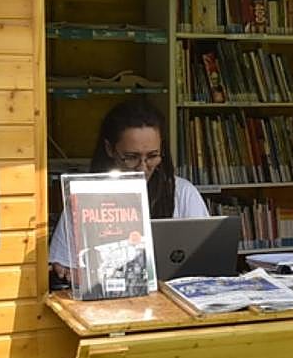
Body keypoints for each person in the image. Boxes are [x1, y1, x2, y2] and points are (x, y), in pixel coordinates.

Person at [49, 99, 208, 281]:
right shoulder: (85, 198)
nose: (142, 168)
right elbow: (63, 264)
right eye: (131, 157)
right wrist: (67, 271)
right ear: (110, 149)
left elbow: (205, 256)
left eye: (152, 156)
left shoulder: (183, 193)